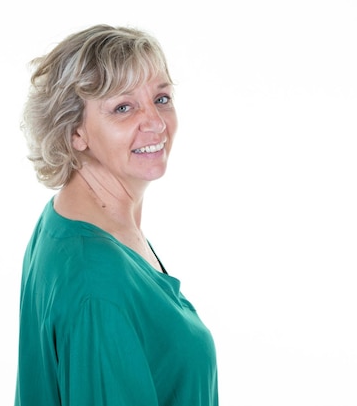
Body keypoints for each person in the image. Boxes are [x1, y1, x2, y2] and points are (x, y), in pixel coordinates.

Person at [14, 24, 218, 406]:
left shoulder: (75, 220)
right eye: (123, 107)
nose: (155, 123)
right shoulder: (98, 282)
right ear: (76, 132)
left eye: (161, 98)